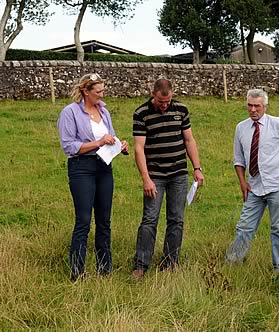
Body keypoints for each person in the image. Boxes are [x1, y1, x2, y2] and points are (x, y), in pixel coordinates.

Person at [57, 73, 129, 281]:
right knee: (84, 220)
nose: (102, 94)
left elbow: (111, 136)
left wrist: (120, 145)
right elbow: (69, 146)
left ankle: (105, 269)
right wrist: (98, 143)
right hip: (82, 168)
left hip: (104, 167)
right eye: (98, 92)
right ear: (85, 91)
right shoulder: (69, 113)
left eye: (103, 90)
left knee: (104, 220)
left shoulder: (104, 112)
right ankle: (77, 272)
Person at [132, 79, 204, 280]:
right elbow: (138, 148)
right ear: (152, 93)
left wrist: (197, 168)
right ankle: (141, 264)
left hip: (178, 174)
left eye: (167, 101)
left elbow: (189, 140)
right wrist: (146, 179)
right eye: (160, 101)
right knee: (149, 219)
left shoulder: (181, 109)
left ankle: (170, 262)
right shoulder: (141, 113)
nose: (164, 105)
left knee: (176, 219)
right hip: (155, 176)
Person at [225, 89, 279, 273]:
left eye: (257, 106)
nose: (253, 109)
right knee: (244, 226)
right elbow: (238, 159)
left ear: (265, 106)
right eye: (249, 105)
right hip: (254, 186)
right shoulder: (241, 128)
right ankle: (233, 263)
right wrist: (242, 181)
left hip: (277, 184)